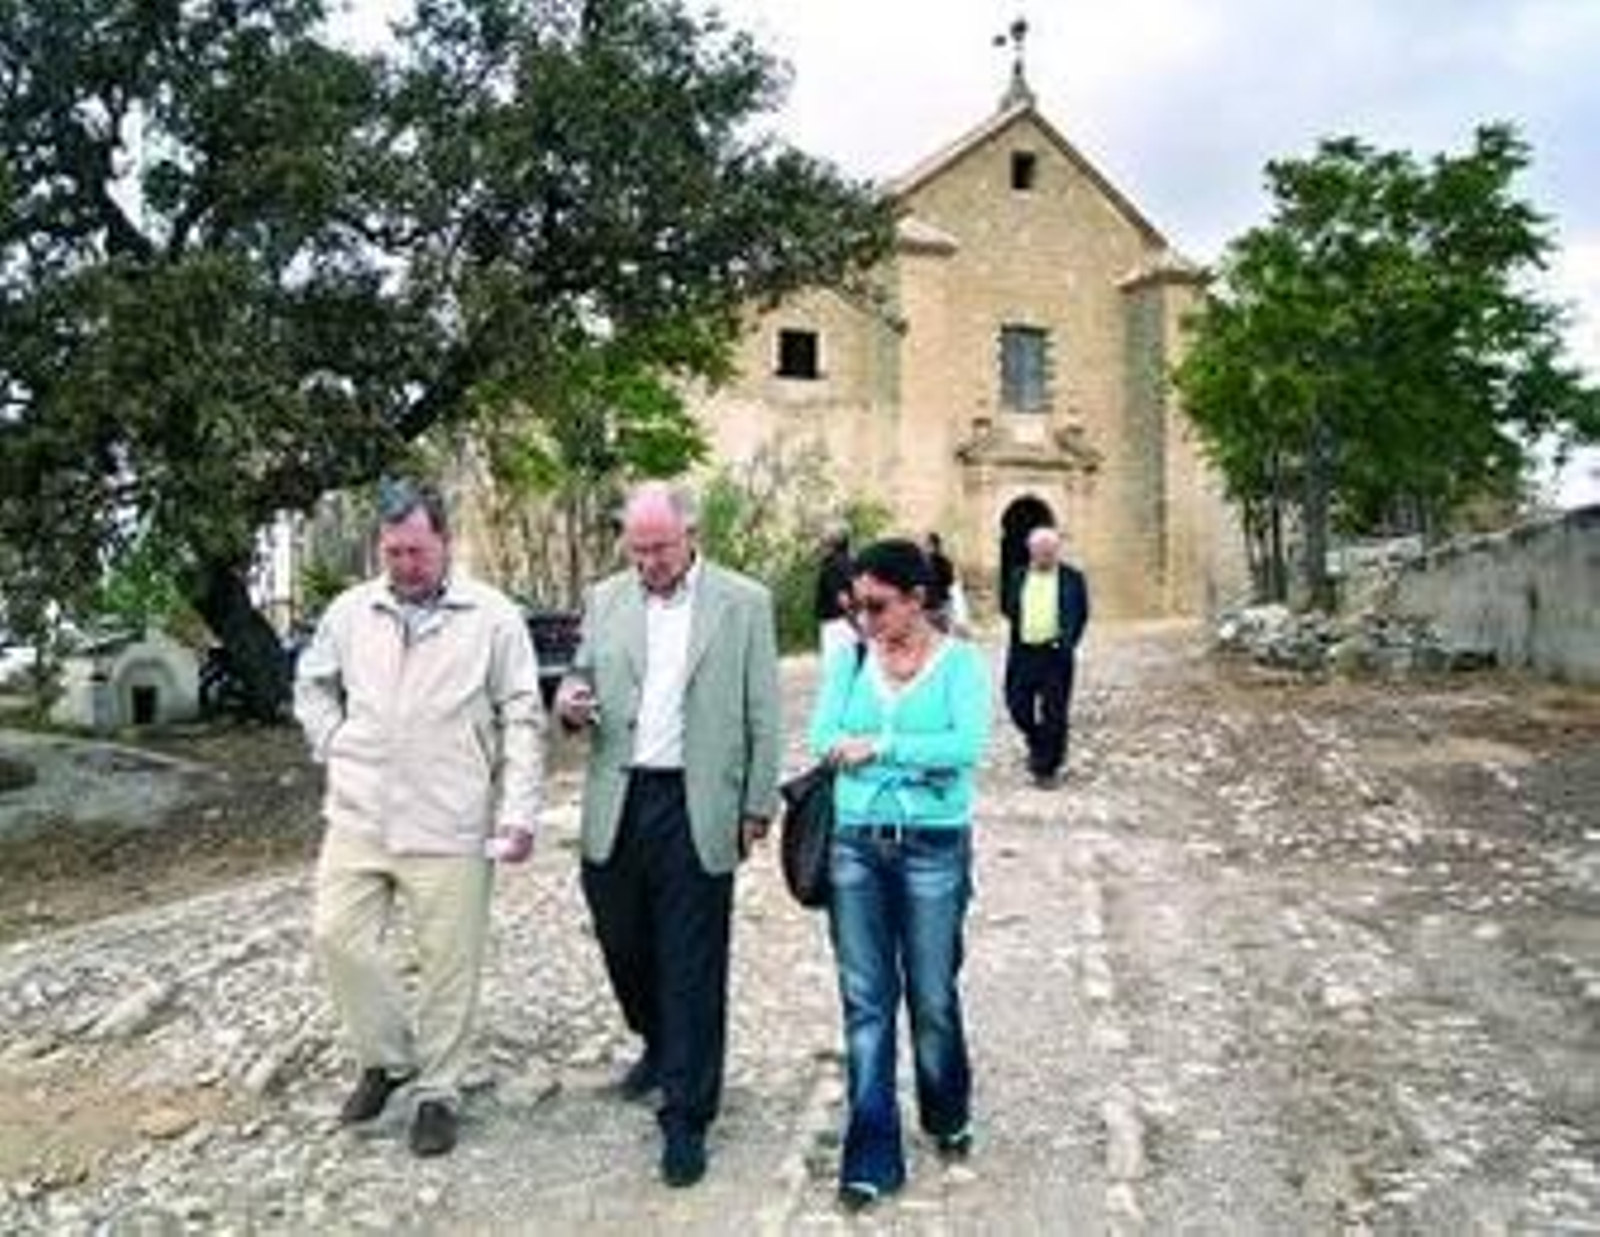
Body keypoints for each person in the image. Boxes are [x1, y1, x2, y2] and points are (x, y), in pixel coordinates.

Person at [293, 479, 544, 1158]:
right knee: (336, 936)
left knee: (446, 965)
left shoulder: (492, 617)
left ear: (445, 542)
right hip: (358, 811)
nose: (404, 564)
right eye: (393, 551)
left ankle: (438, 1089)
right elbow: (312, 683)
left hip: (450, 819)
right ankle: (387, 1056)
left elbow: (522, 717)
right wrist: (333, 740)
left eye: (416, 550)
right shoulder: (351, 611)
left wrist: (519, 811)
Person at [554, 482, 781, 1188]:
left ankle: (687, 1114)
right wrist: (568, 701)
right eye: (637, 547)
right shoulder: (607, 598)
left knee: (693, 959)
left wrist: (757, 803)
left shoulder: (744, 602)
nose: (647, 560)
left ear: (690, 535)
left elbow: (763, 711)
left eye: (659, 548)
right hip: (619, 795)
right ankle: (658, 1038)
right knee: (622, 936)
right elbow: (581, 681)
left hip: (696, 800)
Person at [806, 538, 991, 1212]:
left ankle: (946, 1108)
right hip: (855, 844)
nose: (865, 619)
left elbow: (966, 745)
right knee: (865, 1002)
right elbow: (823, 737)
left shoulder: (961, 663)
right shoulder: (849, 656)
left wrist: (880, 747)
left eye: (878, 605)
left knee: (934, 994)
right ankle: (872, 1151)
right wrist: (914, 759)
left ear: (918, 600)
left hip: (934, 847)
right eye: (856, 605)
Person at [999, 524, 1089, 788]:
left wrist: (1068, 642)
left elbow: (1081, 614)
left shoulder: (1073, 578)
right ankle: (1037, 741)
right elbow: (1009, 607)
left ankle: (1046, 768)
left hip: (1055, 655)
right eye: (1040, 552)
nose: (1045, 556)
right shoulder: (1017, 576)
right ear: (1030, 551)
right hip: (1023, 652)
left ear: (1058, 551)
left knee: (1055, 713)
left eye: (1050, 551)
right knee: (1017, 706)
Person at [815, 522, 858, 663]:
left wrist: (856, 625)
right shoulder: (852, 561)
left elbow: (842, 599)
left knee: (835, 669)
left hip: (837, 625)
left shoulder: (831, 564)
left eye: (824, 538)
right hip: (850, 622)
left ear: (831, 542)